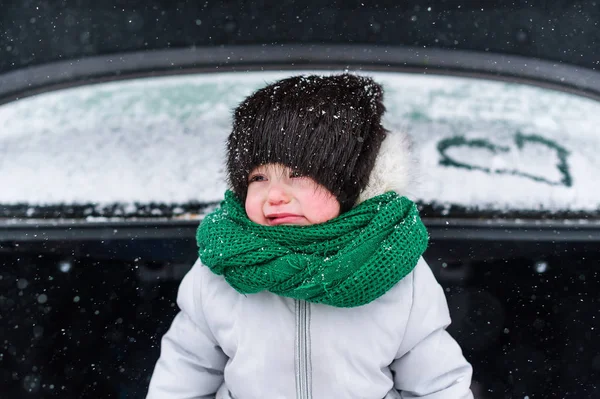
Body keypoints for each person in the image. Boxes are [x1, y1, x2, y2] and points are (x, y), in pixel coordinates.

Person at [146, 74, 473, 398]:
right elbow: (185, 372)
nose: (274, 195)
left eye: (297, 174)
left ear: (348, 183)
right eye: (258, 177)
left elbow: (437, 384)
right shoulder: (221, 267)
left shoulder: (394, 266)